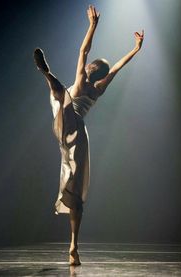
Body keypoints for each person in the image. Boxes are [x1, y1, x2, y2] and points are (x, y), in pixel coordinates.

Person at [34, 5, 144, 266]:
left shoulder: (84, 81)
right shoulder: (97, 89)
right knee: (60, 96)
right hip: (74, 133)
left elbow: (84, 51)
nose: (89, 65)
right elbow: (116, 68)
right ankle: (73, 246)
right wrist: (135, 50)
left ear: (93, 69)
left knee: (60, 93)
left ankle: (46, 73)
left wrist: (93, 26)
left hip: (67, 121)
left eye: (94, 65)